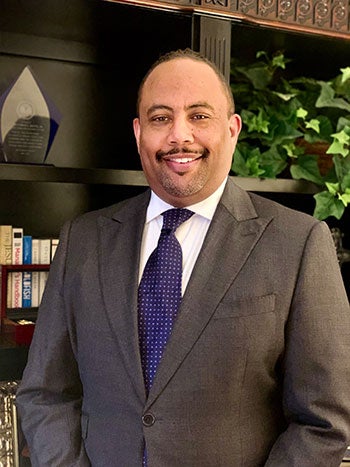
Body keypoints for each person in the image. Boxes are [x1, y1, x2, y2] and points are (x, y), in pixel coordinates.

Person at [16, 48, 350, 466]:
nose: (180, 135)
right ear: (139, 133)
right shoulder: (83, 240)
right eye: (160, 118)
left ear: (232, 129)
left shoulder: (298, 244)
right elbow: (46, 394)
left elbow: (323, 422)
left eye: (199, 116)